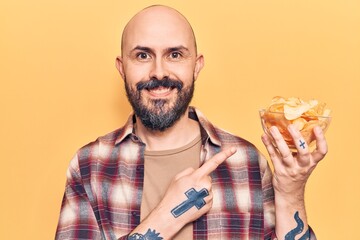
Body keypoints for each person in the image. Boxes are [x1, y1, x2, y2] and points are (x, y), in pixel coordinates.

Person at [55, 5, 327, 240]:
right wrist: (165, 218)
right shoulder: (90, 165)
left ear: (196, 66)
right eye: (142, 55)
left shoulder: (247, 163)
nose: (159, 72)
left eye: (175, 54)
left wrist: (291, 191)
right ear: (121, 67)